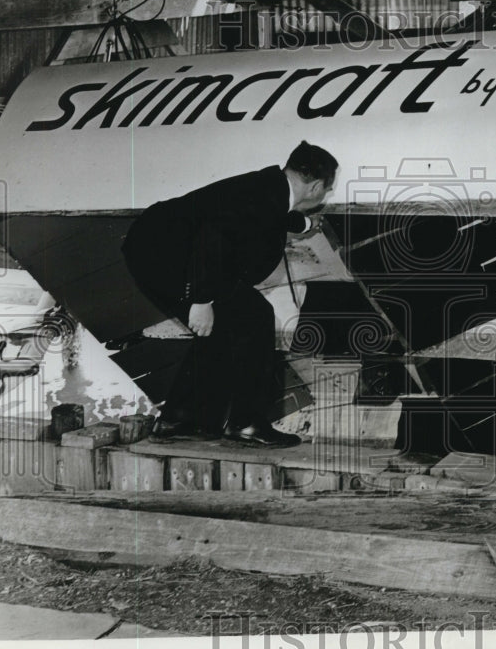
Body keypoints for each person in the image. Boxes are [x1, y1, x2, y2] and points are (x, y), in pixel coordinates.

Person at [122, 141, 337, 446]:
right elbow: (213, 237)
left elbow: (266, 215)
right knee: (255, 317)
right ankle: (245, 423)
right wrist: (201, 300)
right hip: (165, 257)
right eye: (327, 190)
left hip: (160, 248)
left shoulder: (270, 186)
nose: (325, 196)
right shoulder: (264, 195)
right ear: (315, 186)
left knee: (226, 328)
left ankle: (180, 420)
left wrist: (302, 222)